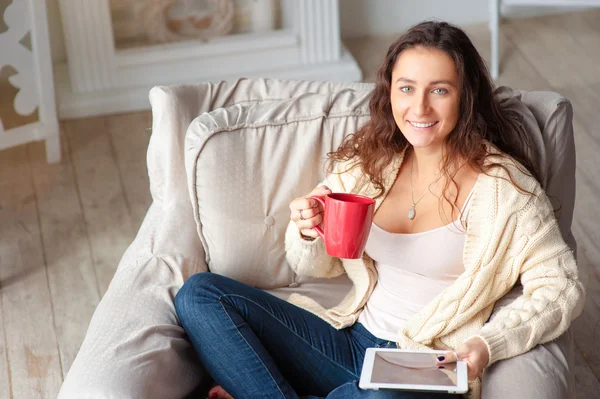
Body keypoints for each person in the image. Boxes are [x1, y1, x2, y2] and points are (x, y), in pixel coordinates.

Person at [173, 21, 585, 399]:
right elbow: (311, 266)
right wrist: (306, 229)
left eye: (439, 90)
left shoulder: (504, 189)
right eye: (406, 88)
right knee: (199, 295)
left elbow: (561, 287)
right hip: (349, 341)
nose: (419, 108)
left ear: (466, 96)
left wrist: (487, 344)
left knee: (380, 397)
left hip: (421, 365)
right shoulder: (370, 163)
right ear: (390, 91)